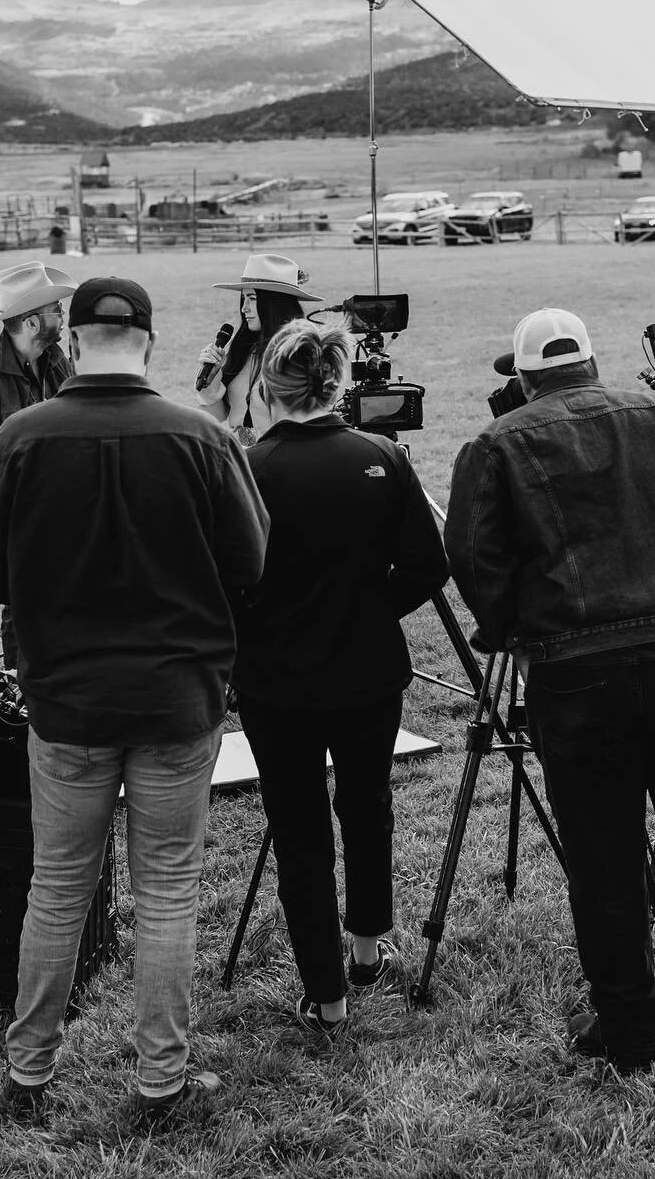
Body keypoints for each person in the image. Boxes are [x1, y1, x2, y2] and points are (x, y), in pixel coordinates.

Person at [445, 308, 655, 1076]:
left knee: (602, 857)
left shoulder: (498, 443)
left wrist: (509, 631)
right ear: (592, 363)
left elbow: (471, 552)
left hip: (574, 672)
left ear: (525, 379)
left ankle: (630, 1033)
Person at [0, 276, 270, 1126]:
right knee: (167, 892)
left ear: (74, 342)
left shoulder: (21, 436)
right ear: (149, 342)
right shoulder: (201, 437)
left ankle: (28, 1073)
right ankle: (160, 1082)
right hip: (176, 698)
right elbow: (250, 563)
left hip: (66, 701)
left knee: (57, 889)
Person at [231, 319, 448, 1034]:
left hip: (276, 683)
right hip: (367, 672)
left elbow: (226, 580)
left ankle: (328, 996)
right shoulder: (380, 455)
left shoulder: (248, 467)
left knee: (299, 830)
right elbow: (428, 565)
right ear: (337, 383)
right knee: (366, 805)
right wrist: (369, 609)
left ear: (270, 386)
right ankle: (364, 949)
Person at [0, 260, 75, 670]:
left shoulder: (60, 364)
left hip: (71, 513)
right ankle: (22, 690)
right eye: (56, 310)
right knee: (27, 613)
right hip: (20, 525)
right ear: (32, 323)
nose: (63, 314)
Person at [194, 253, 321, 445]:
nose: (244, 308)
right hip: (240, 454)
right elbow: (217, 417)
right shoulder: (244, 349)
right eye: (243, 298)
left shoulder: (300, 354)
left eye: (252, 298)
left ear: (273, 303)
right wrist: (211, 380)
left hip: (279, 454)